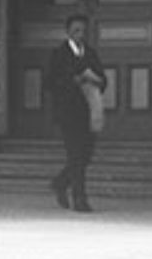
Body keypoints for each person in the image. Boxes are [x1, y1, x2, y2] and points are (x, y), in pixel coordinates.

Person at [45, 13, 106, 213]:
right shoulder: (59, 54)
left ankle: (61, 182)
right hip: (68, 110)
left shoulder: (90, 53)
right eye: (76, 30)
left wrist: (95, 79)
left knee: (86, 154)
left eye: (83, 31)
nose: (80, 34)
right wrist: (74, 80)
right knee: (75, 153)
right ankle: (80, 198)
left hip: (88, 109)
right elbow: (50, 82)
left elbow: (103, 78)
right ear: (68, 31)